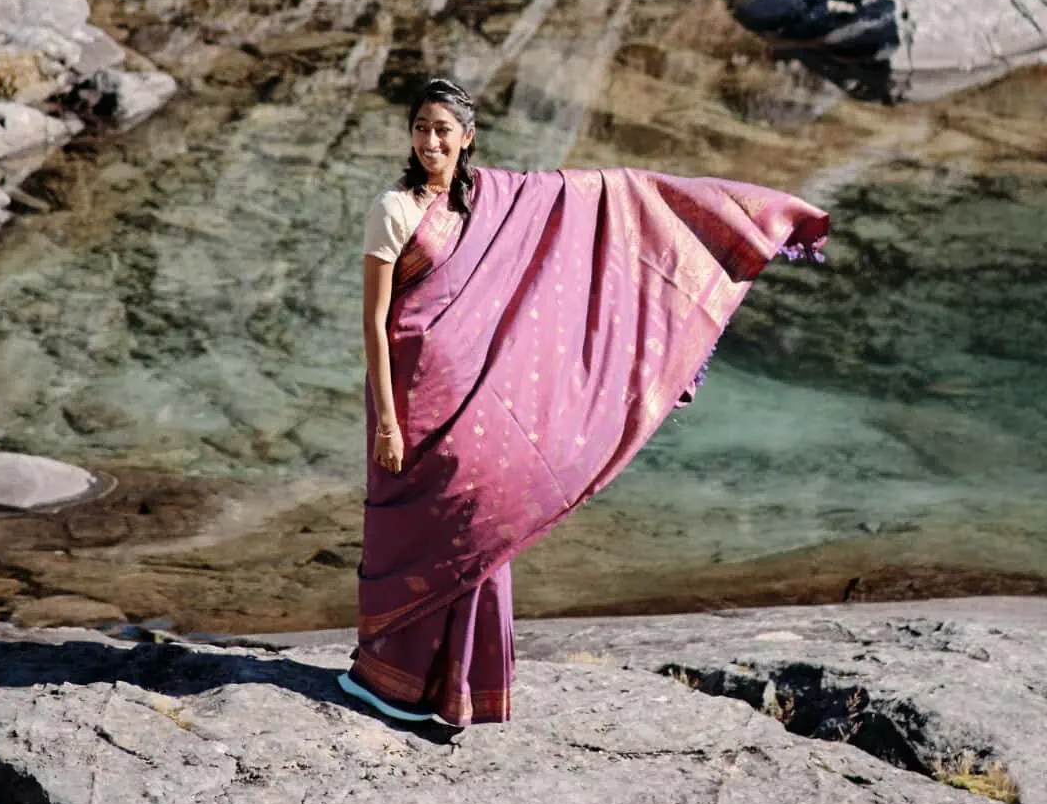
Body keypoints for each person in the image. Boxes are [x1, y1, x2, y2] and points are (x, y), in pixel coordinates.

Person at [339, 76, 828, 732]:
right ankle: (389, 680)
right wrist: (389, 422)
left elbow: (590, 202)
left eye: (442, 130)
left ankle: (455, 690)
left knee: (477, 526)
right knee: (408, 531)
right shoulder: (392, 209)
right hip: (411, 395)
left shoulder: (490, 201)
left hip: (474, 393)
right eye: (421, 128)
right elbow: (373, 321)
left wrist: (723, 212)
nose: (430, 141)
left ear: (467, 137)